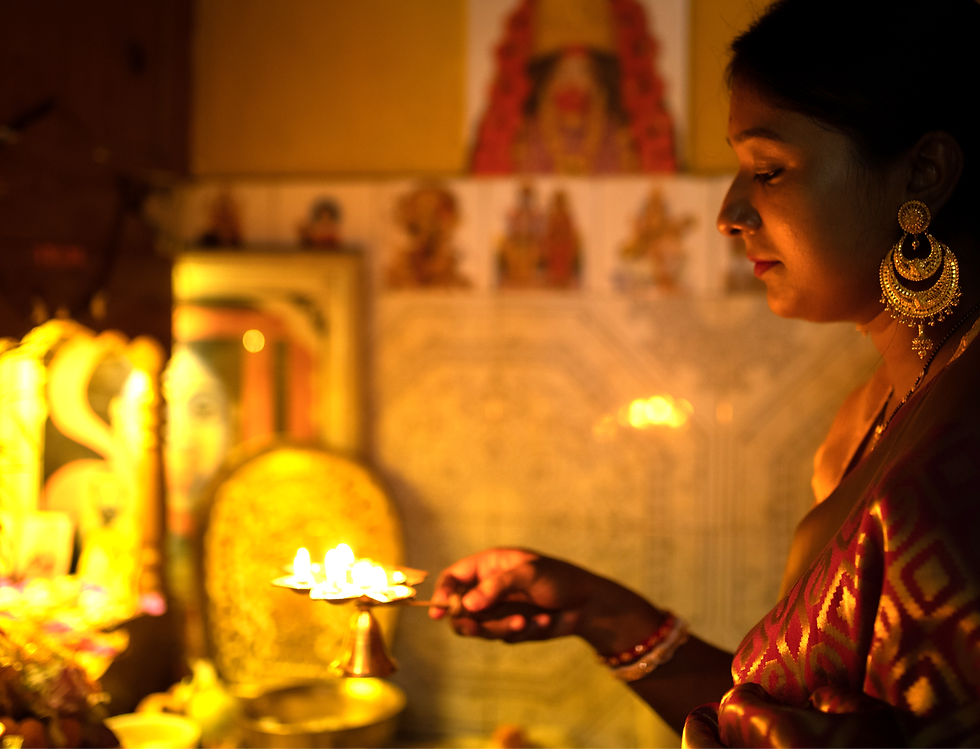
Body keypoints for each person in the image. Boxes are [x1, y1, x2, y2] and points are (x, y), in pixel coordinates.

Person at [430, 0, 980, 746]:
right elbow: (782, 719)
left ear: (924, 171)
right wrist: (602, 614)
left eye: (768, 169)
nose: (729, 212)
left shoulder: (959, 452)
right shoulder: (869, 410)